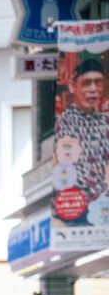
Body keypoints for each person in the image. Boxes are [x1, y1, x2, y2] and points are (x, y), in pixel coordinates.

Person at [55, 56, 109, 216]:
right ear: (73, 86)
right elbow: (72, 170)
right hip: (81, 208)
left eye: (98, 83)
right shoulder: (65, 123)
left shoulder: (105, 122)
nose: (93, 89)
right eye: (86, 83)